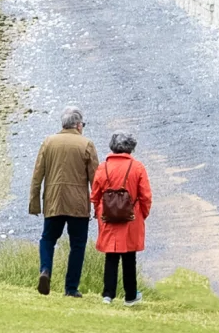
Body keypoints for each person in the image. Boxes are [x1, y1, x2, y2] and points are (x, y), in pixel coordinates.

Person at [28, 106, 99, 297]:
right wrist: (99, 206)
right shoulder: (87, 144)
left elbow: (37, 175)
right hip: (77, 205)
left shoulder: (48, 142)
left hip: (54, 200)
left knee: (48, 239)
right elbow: (96, 179)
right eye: (82, 124)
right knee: (77, 244)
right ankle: (71, 288)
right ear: (77, 125)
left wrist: (35, 202)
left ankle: (45, 270)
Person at [91, 132, 152, 305]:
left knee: (111, 255)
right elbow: (145, 196)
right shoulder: (138, 167)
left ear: (113, 146)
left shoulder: (103, 167)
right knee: (129, 256)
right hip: (131, 217)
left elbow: (95, 195)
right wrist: (142, 214)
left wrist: (99, 212)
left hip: (108, 217)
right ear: (130, 147)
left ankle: (108, 294)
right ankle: (130, 296)